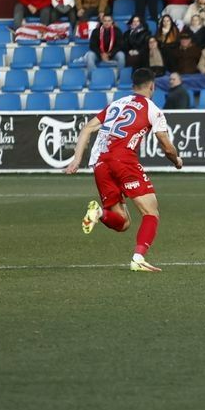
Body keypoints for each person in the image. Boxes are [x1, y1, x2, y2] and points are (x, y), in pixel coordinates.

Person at [65, 68, 183, 272]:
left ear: (133, 86)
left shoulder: (116, 105)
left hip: (101, 163)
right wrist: (176, 160)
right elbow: (165, 143)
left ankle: (99, 213)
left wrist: (76, 160)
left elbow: (87, 128)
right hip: (123, 160)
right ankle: (138, 258)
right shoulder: (152, 108)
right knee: (151, 212)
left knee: (123, 223)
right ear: (152, 86)